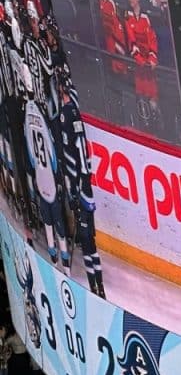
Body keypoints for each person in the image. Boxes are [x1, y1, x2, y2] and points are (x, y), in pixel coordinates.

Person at [56, 66, 104, 297]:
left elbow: (75, 156)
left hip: (80, 188)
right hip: (84, 187)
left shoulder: (67, 114)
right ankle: (97, 285)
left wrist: (75, 190)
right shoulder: (75, 111)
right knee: (88, 241)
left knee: (87, 242)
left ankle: (96, 286)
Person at [24, 79, 68, 271]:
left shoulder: (28, 118)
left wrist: (34, 171)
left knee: (49, 221)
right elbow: (51, 152)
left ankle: (54, 257)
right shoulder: (44, 120)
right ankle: (63, 260)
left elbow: (30, 151)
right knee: (57, 222)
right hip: (49, 176)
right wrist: (57, 177)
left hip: (40, 178)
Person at [124, 0, 160, 133]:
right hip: (139, 67)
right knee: (141, 99)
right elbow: (131, 41)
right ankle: (145, 127)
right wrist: (139, 59)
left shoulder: (146, 18)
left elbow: (152, 40)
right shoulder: (128, 16)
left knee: (153, 100)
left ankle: (157, 127)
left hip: (149, 68)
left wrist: (152, 59)